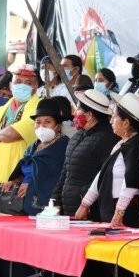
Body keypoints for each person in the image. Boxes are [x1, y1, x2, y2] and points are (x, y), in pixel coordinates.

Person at [76, 93, 139, 227]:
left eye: (114, 117)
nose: (110, 121)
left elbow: (130, 182)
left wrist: (119, 211)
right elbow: (103, 173)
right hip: (111, 207)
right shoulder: (121, 144)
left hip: (127, 213)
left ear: (126, 123)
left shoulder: (136, 146)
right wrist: (86, 203)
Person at [0, 64, 41, 204]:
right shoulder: (2, 109)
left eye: (28, 83)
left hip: (21, 175)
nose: (22, 86)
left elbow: (10, 134)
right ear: (11, 85)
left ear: (35, 86)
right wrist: (5, 147)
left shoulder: (38, 108)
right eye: (18, 81)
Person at [51, 89, 119, 218]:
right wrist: (55, 200)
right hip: (69, 207)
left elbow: (105, 176)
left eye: (78, 109)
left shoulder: (107, 138)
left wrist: (84, 197)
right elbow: (65, 171)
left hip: (90, 210)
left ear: (89, 115)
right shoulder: (77, 136)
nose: (74, 113)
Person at [0, 99, 69, 215]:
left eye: (47, 122)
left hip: (49, 206)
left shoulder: (64, 146)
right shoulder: (33, 147)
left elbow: (56, 177)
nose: (42, 126)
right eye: (38, 122)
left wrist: (31, 185)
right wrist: (15, 180)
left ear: (58, 126)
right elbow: (27, 168)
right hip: (26, 204)